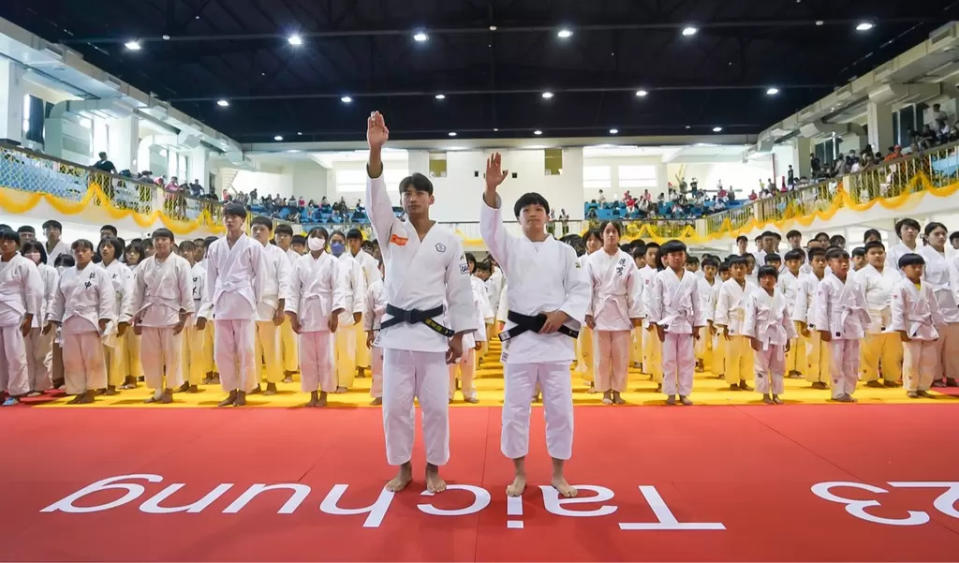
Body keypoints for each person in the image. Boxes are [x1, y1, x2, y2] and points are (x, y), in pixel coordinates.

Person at [366, 111, 476, 493]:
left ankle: (433, 468)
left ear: (432, 198)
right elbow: (374, 199)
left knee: (436, 408)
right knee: (394, 408)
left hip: (432, 334)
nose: (411, 199)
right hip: (396, 334)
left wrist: (460, 334)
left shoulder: (449, 239)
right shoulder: (389, 230)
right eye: (406, 194)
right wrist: (375, 150)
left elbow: (460, 290)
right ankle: (402, 468)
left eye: (418, 193)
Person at [481, 151, 588, 498]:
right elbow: (489, 230)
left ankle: (559, 473)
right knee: (515, 410)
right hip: (522, 341)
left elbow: (579, 289)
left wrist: (563, 313)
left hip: (556, 340)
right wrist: (491, 189)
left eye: (538, 209)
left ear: (548, 216)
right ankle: (519, 473)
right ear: (519, 220)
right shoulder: (509, 248)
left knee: (560, 410)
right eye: (526, 211)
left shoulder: (565, 253)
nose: (533, 214)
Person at [206, 203, 267, 407]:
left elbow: (261, 277)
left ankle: (244, 391)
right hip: (222, 301)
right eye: (226, 216)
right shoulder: (215, 247)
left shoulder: (253, 246)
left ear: (243, 220)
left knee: (246, 350)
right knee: (222, 351)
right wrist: (212, 302)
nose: (230, 220)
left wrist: (255, 301)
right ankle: (231, 390)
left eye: (234, 217)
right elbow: (211, 278)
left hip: (244, 300)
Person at [46, 239, 115, 404]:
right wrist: (53, 317)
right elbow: (57, 298)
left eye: (84, 250)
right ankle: (78, 390)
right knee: (71, 359)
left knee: (92, 358)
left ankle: (91, 390)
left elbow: (107, 296)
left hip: (90, 319)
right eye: (77, 250)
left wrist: (105, 317)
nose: (80, 253)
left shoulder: (99, 273)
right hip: (70, 320)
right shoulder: (65, 274)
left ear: (91, 253)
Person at [286, 227, 348, 407]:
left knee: (326, 357)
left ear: (326, 241)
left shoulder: (332, 262)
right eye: (313, 236)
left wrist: (335, 314)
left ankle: (325, 394)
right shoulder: (300, 262)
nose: (316, 239)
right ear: (308, 240)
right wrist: (292, 315)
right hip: (305, 311)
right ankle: (312, 393)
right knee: (307, 359)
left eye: (320, 237)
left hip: (325, 311)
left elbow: (338, 288)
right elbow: (292, 289)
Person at [130, 229, 194, 404]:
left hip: (172, 314)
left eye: (164, 239)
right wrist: (135, 318)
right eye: (157, 239)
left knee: (172, 355)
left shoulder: (180, 263)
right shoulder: (144, 265)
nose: (160, 243)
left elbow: (186, 292)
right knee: (150, 356)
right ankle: (157, 390)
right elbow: (137, 293)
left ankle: (169, 389)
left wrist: (183, 318)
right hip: (149, 314)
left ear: (172, 242)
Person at [584, 221, 641, 405]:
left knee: (621, 355)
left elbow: (634, 289)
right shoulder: (592, 260)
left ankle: (617, 391)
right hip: (600, 310)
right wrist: (588, 311)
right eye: (607, 231)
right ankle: (605, 391)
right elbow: (587, 288)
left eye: (614, 232)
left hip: (621, 311)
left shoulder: (627, 260)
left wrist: (635, 313)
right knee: (601, 356)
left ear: (619, 235)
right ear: (602, 235)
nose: (610, 235)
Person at [645, 240, 704, 405]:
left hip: (686, 323)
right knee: (669, 360)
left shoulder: (692, 278)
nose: (677, 258)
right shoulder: (661, 277)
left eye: (680, 254)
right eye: (673, 255)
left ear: (685, 256)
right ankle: (670, 392)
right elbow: (656, 301)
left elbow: (697, 302)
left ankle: (684, 392)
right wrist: (657, 324)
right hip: (667, 323)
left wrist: (697, 325)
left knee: (687, 360)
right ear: (666, 258)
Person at [813, 248, 870, 402]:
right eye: (839, 261)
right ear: (830, 264)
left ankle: (848, 390)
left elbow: (862, 305)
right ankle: (837, 391)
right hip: (835, 324)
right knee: (836, 359)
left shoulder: (855, 282)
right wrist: (823, 328)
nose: (844, 264)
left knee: (852, 360)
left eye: (846, 260)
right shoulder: (825, 284)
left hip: (852, 322)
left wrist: (864, 326)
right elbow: (821, 307)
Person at [890, 253, 945, 398]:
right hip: (910, 327)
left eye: (920, 266)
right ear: (903, 268)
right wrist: (901, 330)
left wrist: (938, 327)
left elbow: (935, 307)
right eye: (913, 267)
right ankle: (911, 387)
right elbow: (897, 310)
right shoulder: (900, 287)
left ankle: (923, 386)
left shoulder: (927, 287)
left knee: (929, 359)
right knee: (912, 359)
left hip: (927, 326)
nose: (917, 269)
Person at [248, 216, 291, 396]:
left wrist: (281, 308)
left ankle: (272, 382)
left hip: (269, 304)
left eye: (262, 229)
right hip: (248, 304)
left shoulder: (277, 253)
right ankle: (254, 382)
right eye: (255, 229)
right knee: (250, 348)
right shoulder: (245, 251)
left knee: (271, 346)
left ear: (270, 233)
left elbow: (285, 281)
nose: (258, 232)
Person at [0, 229, 42, 405]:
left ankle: (17, 391)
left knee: (15, 354)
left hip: (15, 312)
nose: (5, 244)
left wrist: (30, 315)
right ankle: (1, 390)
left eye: (9, 241)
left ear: (17, 243)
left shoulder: (25, 264)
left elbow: (34, 291)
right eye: (1, 241)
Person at [743, 266, 796, 404]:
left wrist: (788, 337)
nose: (767, 280)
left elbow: (787, 317)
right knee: (761, 366)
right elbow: (750, 317)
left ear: (776, 279)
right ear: (759, 279)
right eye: (764, 277)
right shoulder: (754, 295)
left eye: (771, 277)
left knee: (778, 367)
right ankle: (765, 394)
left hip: (778, 335)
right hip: (761, 335)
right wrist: (751, 336)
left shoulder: (780, 296)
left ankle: (777, 394)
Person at [857, 241, 902, 388]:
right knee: (870, 350)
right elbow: (860, 298)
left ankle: (891, 377)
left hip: (892, 315)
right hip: (871, 315)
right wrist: (862, 320)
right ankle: (870, 378)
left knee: (893, 350)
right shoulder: (861, 274)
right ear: (866, 256)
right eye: (873, 253)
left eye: (880, 252)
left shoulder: (894, 273)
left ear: (885, 254)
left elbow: (900, 294)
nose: (877, 256)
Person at [919, 222, 959, 387]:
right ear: (927, 237)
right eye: (937, 234)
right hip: (934, 302)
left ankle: (952, 375)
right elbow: (921, 281)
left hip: (954, 302)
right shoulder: (922, 255)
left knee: (953, 344)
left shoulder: (954, 253)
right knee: (935, 344)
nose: (941, 237)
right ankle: (934, 377)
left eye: (944, 233)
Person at [329, 230, 366, 392]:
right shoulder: (326, 261)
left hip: (347, 310)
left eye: (339, 241)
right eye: (333, 241)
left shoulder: (351, 263)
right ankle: (330, 381)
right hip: (327, 311)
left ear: (344, 244)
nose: (336, 244)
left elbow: (359, 288)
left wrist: (358, 310)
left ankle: (344, 382)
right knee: (329, 350)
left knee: (346, 349)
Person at [20, 241, 58, 395]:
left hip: (42, 316)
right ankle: (27, 385)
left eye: (36, 250)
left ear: (42, 253)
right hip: (22, 317)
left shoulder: (50, 271)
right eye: (28, 250)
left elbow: (53, 295)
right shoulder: (20, 269)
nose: (32, 253)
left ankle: (41, 385)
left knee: (42, 354)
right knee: (25, 355)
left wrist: (50, 316)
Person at [97, 237, 133, 395]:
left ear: (116, 250)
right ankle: (100, 383)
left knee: (115, 352)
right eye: (103, 246)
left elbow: (128, 295)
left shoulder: (124, 270)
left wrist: (125, 318)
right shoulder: (94, 270)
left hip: (116, 314)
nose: (105, 249)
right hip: (97, 315)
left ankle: (112, 384)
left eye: (109, 247)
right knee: (98, 352)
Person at [714, 256, 754, 391]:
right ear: (730, 270)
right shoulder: (726, 286)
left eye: (741, 267)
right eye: (735, 268)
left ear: (747, 269)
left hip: (748, 324)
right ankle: (732, 382)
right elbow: (722, 306)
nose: (738, 270)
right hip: (732, 323)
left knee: (747, 355)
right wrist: (723, 325)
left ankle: (744, 380)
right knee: (732, 355)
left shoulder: (752, 286)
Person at [346, 228, 380, 379]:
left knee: (361, 337)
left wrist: (372, 304)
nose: (352, 243)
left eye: (355, 240)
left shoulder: (368, 260)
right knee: (348, 339)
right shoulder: (344, 259)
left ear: (360, 242)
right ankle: (350, 367)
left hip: (364, 302)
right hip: (347, 303)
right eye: (350, 241)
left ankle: (361, 367)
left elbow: (374, 282)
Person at [575, 229, 603, 391]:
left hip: (603, 309)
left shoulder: (606, 260)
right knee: (586, 347)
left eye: (596, 240)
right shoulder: (578, 261)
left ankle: (601, 380)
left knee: (601, 348)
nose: (592, 243)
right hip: (582, 310)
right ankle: (591, 378)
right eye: (589, 240)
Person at [639, 242, 663, 388]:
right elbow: (641, 297)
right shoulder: (640, 273)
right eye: (650, 254)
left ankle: (663, 380)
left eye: (656, 254)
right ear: (645, 256)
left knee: (662, 351)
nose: (654, 257)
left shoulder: (665, 273)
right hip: (647, 316)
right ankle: (656, 376)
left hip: (665, 319)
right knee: (651, 349)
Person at [780, 249, 806, 377]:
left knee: (801, 343)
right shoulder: (782, 278)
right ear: (786, 263)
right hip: (788, 314)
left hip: (801, 314)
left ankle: (799, 368)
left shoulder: (805, 278)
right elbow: (779, 297)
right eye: (791, 261)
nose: (794, 264)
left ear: (801, 262)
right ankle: (789, 369)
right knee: (791, 343)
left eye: (796, 261)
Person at [364, 260, 387, 405]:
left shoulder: (401, 286)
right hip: (378, 328)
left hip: (398, 329)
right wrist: (369, 332)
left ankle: (398, 395)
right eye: (384, 265)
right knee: (378, 364)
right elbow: (368, 312)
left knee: (399, 364)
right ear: (379, 268)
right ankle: (379, 393)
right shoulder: (374, 287)